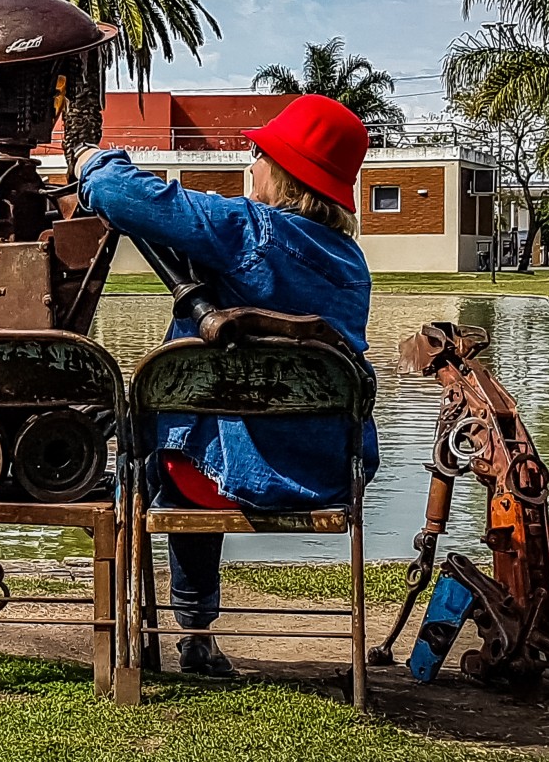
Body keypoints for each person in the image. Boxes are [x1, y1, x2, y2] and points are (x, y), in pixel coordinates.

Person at [70, 93, 379, 677]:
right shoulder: (350, 263)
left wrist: (92, 159)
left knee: (165, 449)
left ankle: (182, 631)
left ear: (286, 176)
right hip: (326, 476)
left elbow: (122, 196)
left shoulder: (247, 231)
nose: (252, 164)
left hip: (217, 482)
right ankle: (194, 639)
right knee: (196, 437)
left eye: (261, 155)